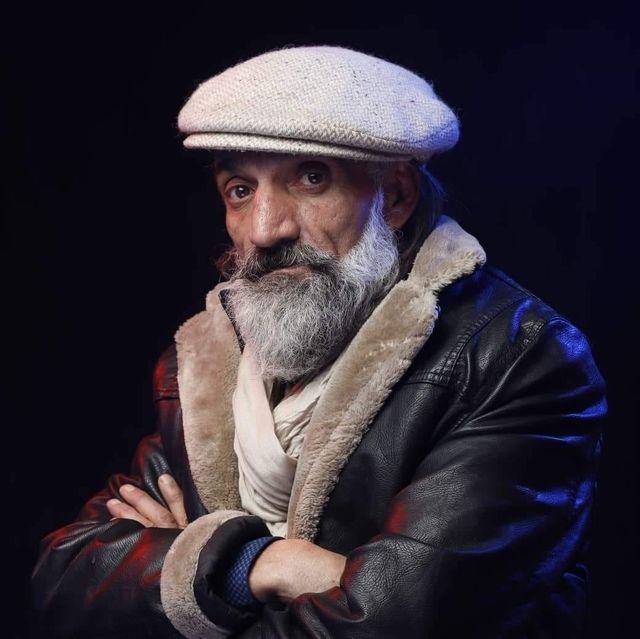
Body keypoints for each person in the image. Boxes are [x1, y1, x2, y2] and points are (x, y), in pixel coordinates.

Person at [30, 45, 607, 638]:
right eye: (240, 189)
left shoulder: (517, 357)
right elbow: (63, 582)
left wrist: (185, 571)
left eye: (311, 178)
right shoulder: (205, 362)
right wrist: (266, 563)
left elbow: (398, 627)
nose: (265, 230)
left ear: (396, 196)